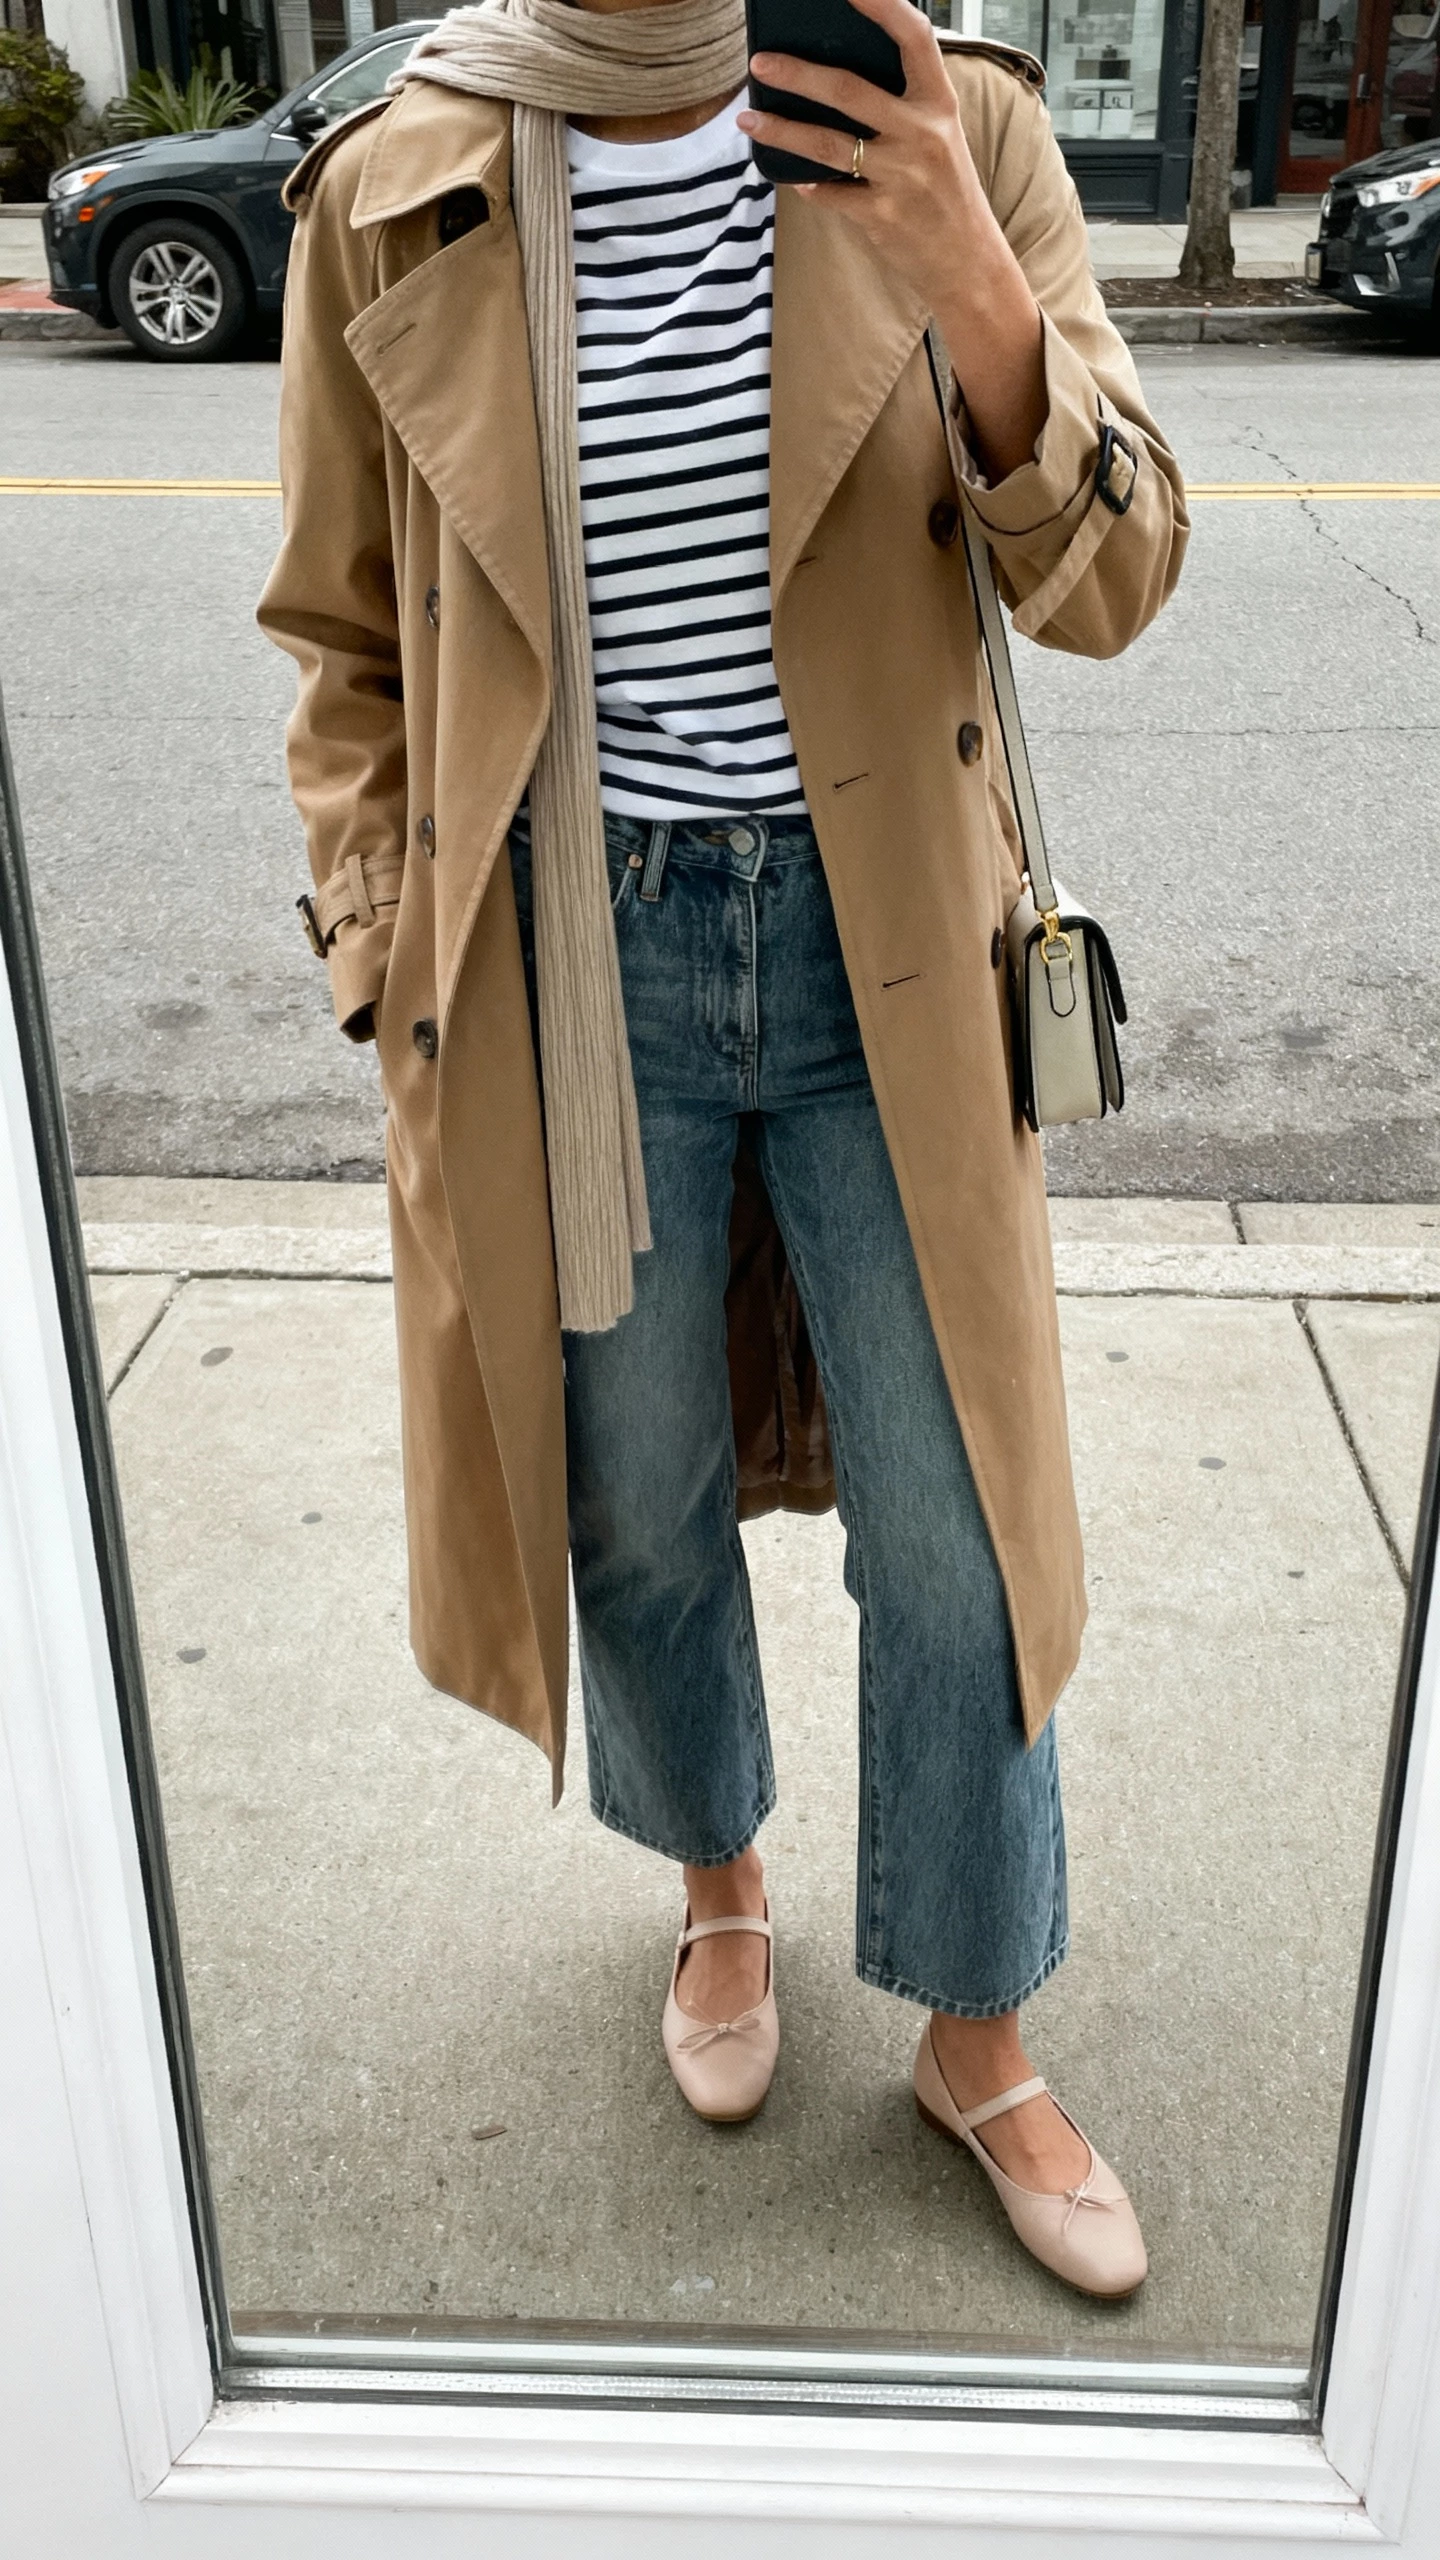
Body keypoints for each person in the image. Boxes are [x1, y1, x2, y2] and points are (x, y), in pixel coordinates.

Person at [259, 0, 1187, 2301]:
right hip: (578, 972)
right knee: (635, 1493)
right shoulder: (396, 180)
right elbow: (343, 641)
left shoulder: (948, 117)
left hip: (893, 958)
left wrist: (974, 283)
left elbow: (1120, 575)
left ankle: (975, 2023)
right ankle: (718, 1882)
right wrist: (385, 952)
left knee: (959, 1522)